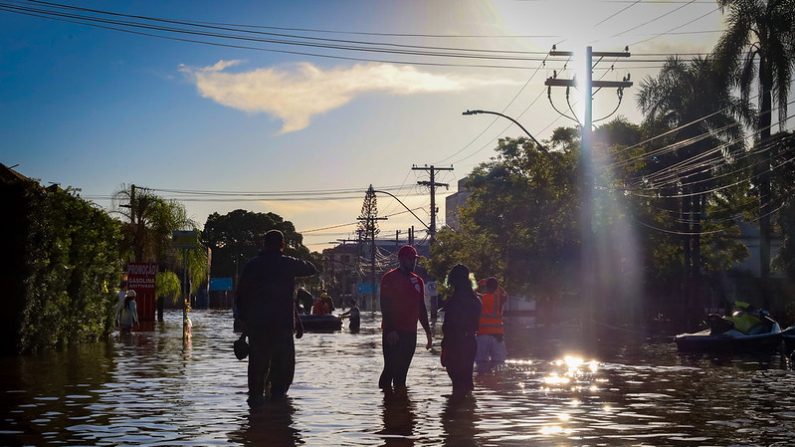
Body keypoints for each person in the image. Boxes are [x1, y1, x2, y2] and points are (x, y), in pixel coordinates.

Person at [235, 229, 318, 407]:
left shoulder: (252, 265)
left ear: (264, 244)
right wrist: (288, 259)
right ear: (282, 245)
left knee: (257, 368)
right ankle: (279, 413)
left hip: (257, 327)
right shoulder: (288, 264)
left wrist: (242, 321)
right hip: (282, 327)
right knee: (282, 372)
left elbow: (240, 296)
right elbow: (312, 268)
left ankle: (256, 413)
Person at [378, 245, 433, 394]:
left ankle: (401, 410)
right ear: (401, 259)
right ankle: (386, 406)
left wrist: (428, 333)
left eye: (414, 260)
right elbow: (385, 305)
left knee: (402, 374)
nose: (412, 262)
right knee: (390, 369)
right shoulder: (389, 278)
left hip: (410, 332)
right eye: (410, 259)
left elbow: (421, 308)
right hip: (392, 332)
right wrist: (392, 330)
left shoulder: (418, 281)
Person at [440, 264, 482, 397]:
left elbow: (449, 326)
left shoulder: (455, 301)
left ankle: (458, 411)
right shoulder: (475, 299)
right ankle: (468, 412)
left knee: (457, 383)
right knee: (467, 381)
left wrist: (445, 347)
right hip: (471, 342)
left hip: (455, 343)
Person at [475, 277, 509, 373]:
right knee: (499, 363)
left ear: (486, 287)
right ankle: (496, 381)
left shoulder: (480, 298)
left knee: (481, 363)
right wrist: (498, 287)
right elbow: (505, 294)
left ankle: (483, 382)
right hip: (497, 336)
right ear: (496, 287)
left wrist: (479, 283)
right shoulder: (500, 299)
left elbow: (470, 292)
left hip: (482, 335)